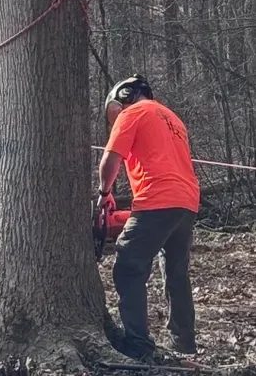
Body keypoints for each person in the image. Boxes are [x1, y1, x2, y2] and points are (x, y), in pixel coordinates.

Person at [97, 74, 200, 361]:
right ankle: (184, 342)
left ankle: (138, 344)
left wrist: (104, 192)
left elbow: (110, 159)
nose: (115, 115)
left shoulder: (133, 113)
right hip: (187, 201)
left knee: (128, 268)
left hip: (158, 198)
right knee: (176, 273)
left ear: (126, 96)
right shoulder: (173, 119)